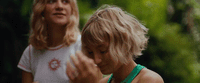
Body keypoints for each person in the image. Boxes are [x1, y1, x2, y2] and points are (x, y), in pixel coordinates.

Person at [66, 5, 164, 83]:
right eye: (90, 52)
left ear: (124, 44)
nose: (96, 60)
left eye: (103, 51)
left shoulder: (149, 80)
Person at [17, 0, 82, 82]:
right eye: (51, 1)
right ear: (41, 9)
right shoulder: (30, 53)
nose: (59, 6)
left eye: (65, 1)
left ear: (72, 9)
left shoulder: (84, 46)